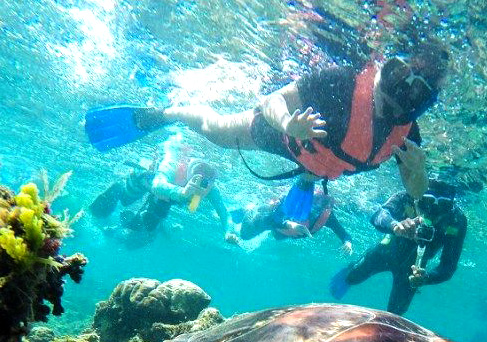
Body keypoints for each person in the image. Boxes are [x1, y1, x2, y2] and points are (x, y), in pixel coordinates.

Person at [85, 43, 450, 200]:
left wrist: (418, 173)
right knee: (216, 131)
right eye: (400, 75)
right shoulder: (341, 81)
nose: (401, 95)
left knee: (314, 173)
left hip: (317, 162)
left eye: (419, 91)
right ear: (386, 68)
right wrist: (288, 123)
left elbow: (416, 194)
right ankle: (164, 114)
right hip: (283, 133)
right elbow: (272, 99)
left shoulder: (408, 136)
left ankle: (306, 183)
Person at [329, 178, 466, 315]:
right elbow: (378, 215)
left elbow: (448, 266)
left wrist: (426, 278)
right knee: (351, 278)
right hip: (384, 253)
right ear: (418, 198)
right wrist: (395, 226)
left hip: (412, 272)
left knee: (395, 313)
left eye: (443, 205)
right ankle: (350, 270)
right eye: (427, 201)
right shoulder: (406, 197)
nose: (432, 211)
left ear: (451, 205)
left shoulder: (456, 220)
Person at [89, 133, 233, 243]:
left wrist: (229, 231)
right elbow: (157, 185)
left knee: (148, 226)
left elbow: (224, 213)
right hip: (148, 181)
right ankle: (113, 194)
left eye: (209, 177)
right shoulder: (173, 165)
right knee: (126, 197)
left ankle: (118, 232)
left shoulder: (211, 189)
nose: (201, 178)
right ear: (188, 168)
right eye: (198, 172)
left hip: (167, 197)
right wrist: (182, 192)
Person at [232, 174, 353, 254]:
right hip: (275, 220)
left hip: (283, 231)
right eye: (316, 200)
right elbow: (276, 218)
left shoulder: (327, 216)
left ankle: (251, 213)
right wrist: (290, 225)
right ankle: (248, 209)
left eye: (323, 203)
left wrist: (347, 243)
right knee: (246, 234)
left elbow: (344, 234)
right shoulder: (297, 203)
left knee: (274, 235)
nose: (318, 205)